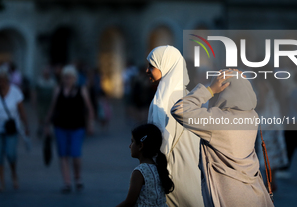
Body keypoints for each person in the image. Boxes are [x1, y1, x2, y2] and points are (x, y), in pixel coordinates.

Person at [171, 70, 274, 207]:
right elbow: (240, 92)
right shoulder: (252, 115)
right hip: (254, 192)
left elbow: (179, 109)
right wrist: (240, 81)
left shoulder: (218, 120)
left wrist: (209, 90)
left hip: (229, 195)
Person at [146, 45, 204, 207]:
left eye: (152, 66)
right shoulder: (189, 96)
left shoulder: (164, 100)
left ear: (166, 66)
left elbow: (160, 143)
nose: (147, 70)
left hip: (171, 171)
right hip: (192, 168)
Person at [44, 65, 94, 193]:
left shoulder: (81, 89)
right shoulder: (58, 90)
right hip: (60, 126)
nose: (67, 80)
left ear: (75, 78)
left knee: (75, 153)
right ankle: (67, 182)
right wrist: (46, 124)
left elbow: (89, 108)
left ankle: (77, 177)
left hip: (77, 126)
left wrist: (90, 124)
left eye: (70, 77)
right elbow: (52, 107)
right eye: (65, 77)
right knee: (63, 154)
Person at [116, 124, 174, 207]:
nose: (130, 146)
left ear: (140, 146)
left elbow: (129, 202)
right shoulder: (158, 168)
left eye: (132, 142)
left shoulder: (139, 172)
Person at [0, 65, 29, 192]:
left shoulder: (15, 91)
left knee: (11, 154)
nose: (1, 82)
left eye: (3, 79)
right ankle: (2, 182)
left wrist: (26, 126)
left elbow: (21, 110)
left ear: (7, 79)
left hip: (11, 129)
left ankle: (14, 173)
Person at [33, 66, 56, 137]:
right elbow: (34, 91)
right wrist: (34, 100)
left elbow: (55, 91)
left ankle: (48, 129)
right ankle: (41, 127)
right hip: (41, 101)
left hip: (50, 102)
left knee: (49, 115)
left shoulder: (53, 81)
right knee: (41, 115)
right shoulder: (39, 81)